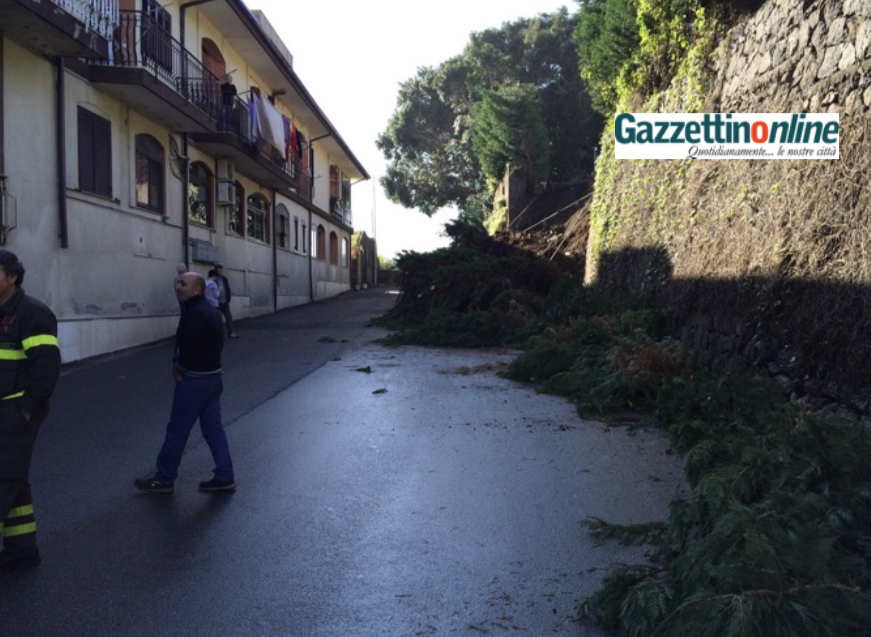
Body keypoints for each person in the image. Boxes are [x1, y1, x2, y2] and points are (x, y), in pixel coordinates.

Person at [135, 272, 235, 494]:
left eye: (183, 284)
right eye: (178, 283)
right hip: (213, 378)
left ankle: (163, 478)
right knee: (213, 430)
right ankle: (225, 476)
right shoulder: (210, 311)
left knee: (177, 430)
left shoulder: (195, 314)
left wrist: (179, 368)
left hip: (195, 381)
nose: (178, 287)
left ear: (197, 289)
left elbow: (189, 347)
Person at [0, 250, 61, 575]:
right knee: (14, 479)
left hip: (15, 409)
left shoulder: (32, 313)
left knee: (3, 476)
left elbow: (46, 368)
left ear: (12, 277)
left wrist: (25, 410)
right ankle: (22, 551)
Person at [214, 264, 239, 339]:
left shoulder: (224, 279)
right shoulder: (213, 280)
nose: (221, 272)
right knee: (218, 319)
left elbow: (227, 288)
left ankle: (231, 333)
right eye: (219, 271)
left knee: (229, 317)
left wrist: (228, 298)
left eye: (221, 270)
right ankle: (218, 335)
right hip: (217, 303)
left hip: (225, 301)